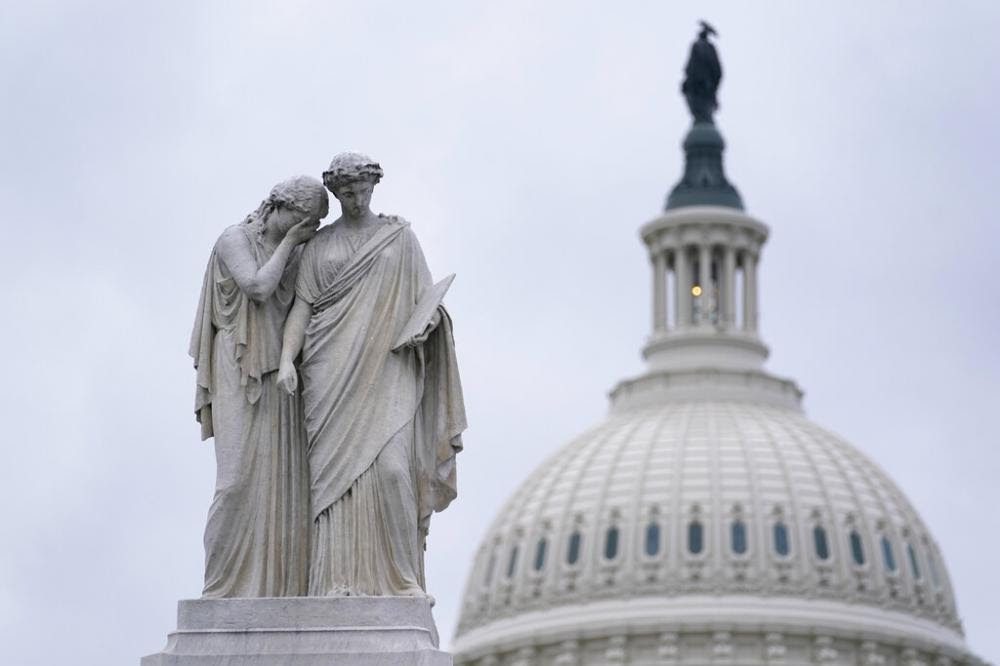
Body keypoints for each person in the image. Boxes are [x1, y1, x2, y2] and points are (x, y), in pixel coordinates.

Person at [278, 152, 466, 597]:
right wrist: (287, 359)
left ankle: (401, 580)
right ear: (336, 194)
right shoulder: (319, 246)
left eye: (362, 190)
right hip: (329, 372)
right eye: (346, 192)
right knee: (333, 484)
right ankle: (334, 582)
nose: (356, 198)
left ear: (373, 188)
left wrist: (429, 323)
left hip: (389, 367)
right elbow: (301, 309)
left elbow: (427, 300)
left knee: (393, 472)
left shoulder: (399, 239)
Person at [189, 175, 328, 598]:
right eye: (303, 220)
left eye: (315, 225)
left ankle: (277, 590)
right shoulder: (235, 239)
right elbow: (257, 287)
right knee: (234, 482)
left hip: (281, 376)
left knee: (281, 487)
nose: (308, 231)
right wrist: (291, 243)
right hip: (238, 365)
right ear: (278, 207)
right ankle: (220, 589)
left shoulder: (302, 251)